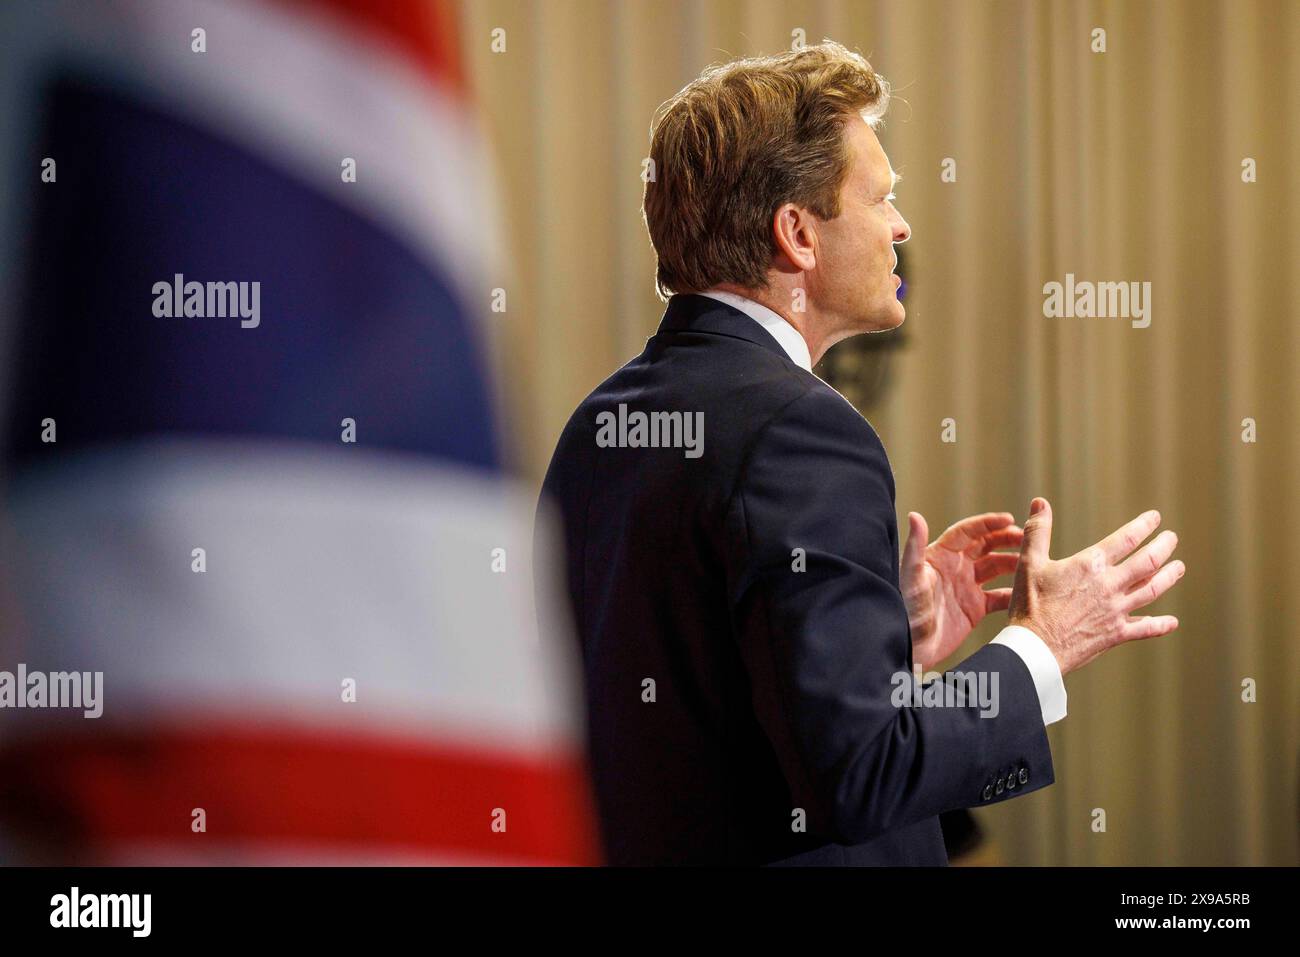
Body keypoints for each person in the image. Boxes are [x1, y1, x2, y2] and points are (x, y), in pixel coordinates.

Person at [536, 40, 1184, 865]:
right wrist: (1043, 644)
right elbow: (862, 776)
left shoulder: (596, 424)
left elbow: (689, 717)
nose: (902, 226)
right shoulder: (801, 431)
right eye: (882, 198)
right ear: (798, 235)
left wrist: (889, 646)